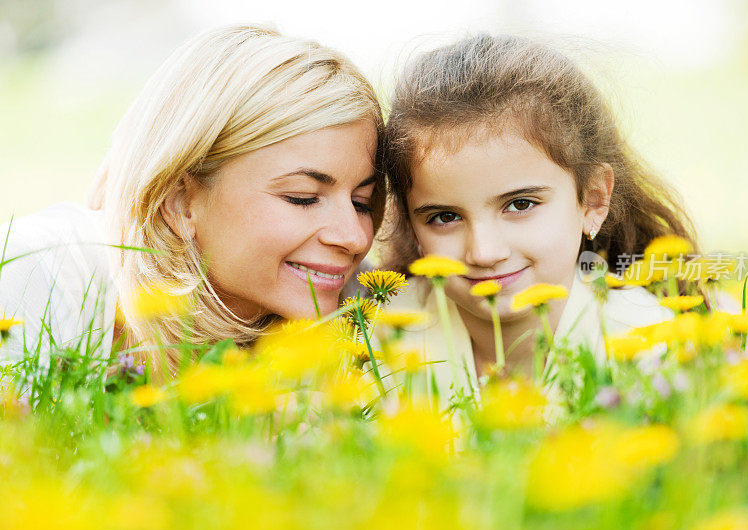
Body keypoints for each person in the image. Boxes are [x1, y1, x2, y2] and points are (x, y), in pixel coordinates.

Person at [0, 24, 385, 377]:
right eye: (302, 198)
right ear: (179, 200)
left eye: (363, 202)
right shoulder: (26, 281)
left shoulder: (357, 304)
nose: (353, 238)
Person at [380, 34, 698, 398]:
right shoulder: (378, 345)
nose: (484, 252)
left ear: (593, 200)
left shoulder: (652, 346)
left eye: (520, 205)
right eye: (445, 216)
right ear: (410, 224)